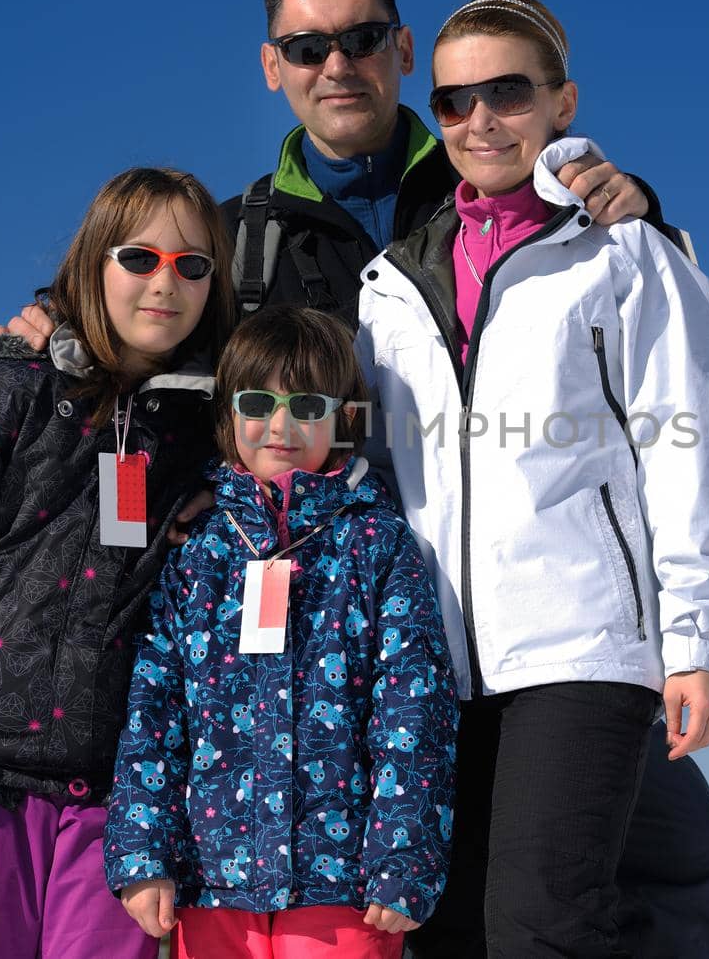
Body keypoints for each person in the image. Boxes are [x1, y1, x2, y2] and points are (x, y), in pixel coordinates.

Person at [1, 0, 709, 955]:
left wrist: (626, 200)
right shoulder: (242, 238)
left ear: (399, 50)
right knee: (444, 900)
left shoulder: (489, 177)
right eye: (307, 46)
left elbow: (657, 373)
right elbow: (152, 304)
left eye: (359, 39)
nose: (336, 63)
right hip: (355, 631)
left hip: (548, 610)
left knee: (672, 856)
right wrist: (59, 313)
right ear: (274, 66)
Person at [357, 0, 709, 959]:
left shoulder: (621, 253)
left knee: (542, 923)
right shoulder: (392, 286)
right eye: (453, 101)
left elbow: (689, 440)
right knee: (445, 926)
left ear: (561, 103)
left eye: (507, 91)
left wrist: (695, 632)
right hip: (432, 658)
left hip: (577, 643)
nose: (480, 119)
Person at [0, 167, 236, 959]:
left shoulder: (204, 437)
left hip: (116, 804)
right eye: (140, 257)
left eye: (191, 265)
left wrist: (220, 497)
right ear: (95, 262)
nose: (164, 282)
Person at [103, 306, 458, 959]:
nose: (281, 424)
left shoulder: (375, 542)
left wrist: (403, 854)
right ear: (229, 415)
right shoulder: (197, 550)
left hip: (340, 883)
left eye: (307, 404)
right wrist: (144, 849)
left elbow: (415, 708)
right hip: (212, 879)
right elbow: (152, 711)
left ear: (345, 417)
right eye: (259, 401)